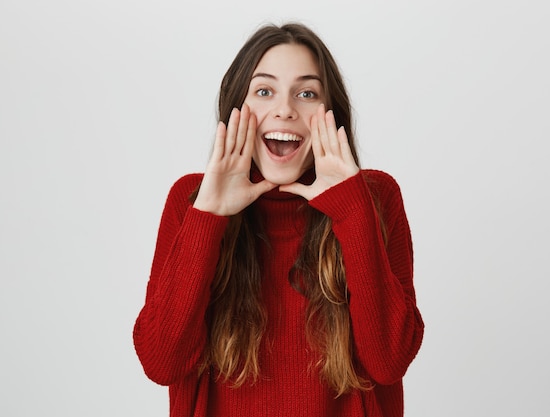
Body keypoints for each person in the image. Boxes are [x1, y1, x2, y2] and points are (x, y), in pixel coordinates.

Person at [133, 22, 424, 417]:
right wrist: (208, 218)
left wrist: (353, 210)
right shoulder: (191, 200)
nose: (285, 109)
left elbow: (389, 360)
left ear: (329, 114)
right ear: (238, 110)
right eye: (264, 91)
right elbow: (161, 362)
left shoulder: (375, 197)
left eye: (306, 93)